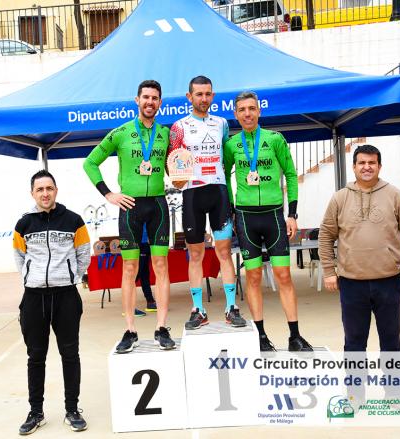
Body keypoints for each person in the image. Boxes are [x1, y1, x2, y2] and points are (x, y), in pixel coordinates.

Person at [319, 145, 400, 407]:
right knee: (354, 344)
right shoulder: (340, 198)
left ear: (379, 166)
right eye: (361, 162)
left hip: (388, 281)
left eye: (372, 163)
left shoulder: (395, 195)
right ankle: (354, 397)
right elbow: (326, 234)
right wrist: (329, 271)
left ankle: (395, 396)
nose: (367, 167)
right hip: (352, 284)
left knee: (391, 342)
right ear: (353, 166)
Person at [83, 79, 175, 353]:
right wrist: (108, 194)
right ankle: (130, 330)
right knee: (129, 269)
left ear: (160, 102)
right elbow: (90, 163)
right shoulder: (121, 132)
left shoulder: (167, 134)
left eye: (155, 98)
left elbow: (176, 167)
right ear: (137, 100)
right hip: (130, 207)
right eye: (145, 97)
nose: (150, 102)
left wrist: (181, 180)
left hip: (158, 205)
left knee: (161, 267)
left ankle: (161, 327)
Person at [223, 91, 313, 352]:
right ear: (236, 114)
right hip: (246, 217)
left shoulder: (275, 139)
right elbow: (225, 177)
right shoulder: (231, 144)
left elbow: (291, 175)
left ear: (259, 111)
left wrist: (292, 214)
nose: (247, 114)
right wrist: (231, 209)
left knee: (284, 276)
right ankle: (260, 336)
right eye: (242, 110)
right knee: (252, 277)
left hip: (274, 216)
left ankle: (294, 336)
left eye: (252, 108)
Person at [13, 170, 91, 435]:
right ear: (32, 193)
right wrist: (30, 278)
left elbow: (84, 255)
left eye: (49, 188)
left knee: (70, 354)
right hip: (34, 297)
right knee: (35, 356)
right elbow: (19, 256)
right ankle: (36, 412)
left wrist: (70, 276)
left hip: (66, 296)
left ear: (56, 190)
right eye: (39, 189)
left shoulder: (74, 221)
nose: (45, 193)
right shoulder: (23, 224)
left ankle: (72, 409)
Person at [169, 76, 245, 330]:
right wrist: (177, 179)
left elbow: (227, 156)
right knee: (195, 255)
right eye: (198, 94)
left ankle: (231, 307)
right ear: (189, 97)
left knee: (224, 252)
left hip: (219, 193)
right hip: (192, 195)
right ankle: (198, 310)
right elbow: (173, 163)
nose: (204, 99)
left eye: (208, 94)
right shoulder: (179, 127)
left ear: (213, 96)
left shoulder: (222, 124)